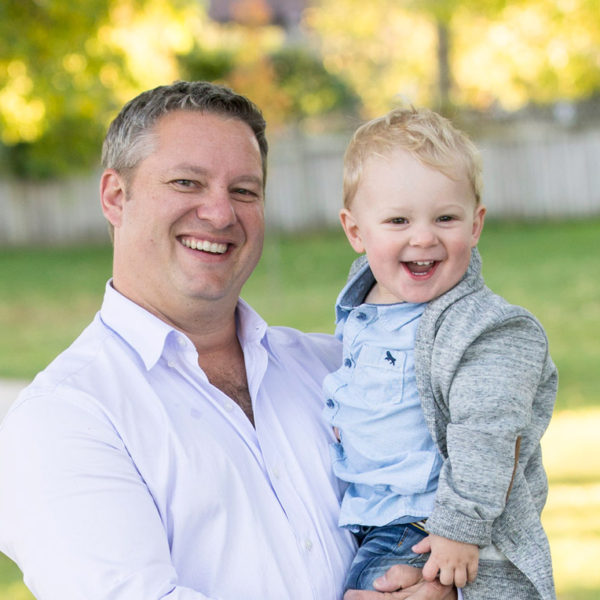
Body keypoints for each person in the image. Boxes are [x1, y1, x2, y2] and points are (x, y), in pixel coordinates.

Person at [0, 82, 456, 600]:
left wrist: (442, 587)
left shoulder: (339, 367)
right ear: (116, 197)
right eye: (187, 183)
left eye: (244, 191)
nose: (220, 214)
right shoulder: (64, 417)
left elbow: (468, 497)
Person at [323, 107, 557, 599]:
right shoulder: (363, 305)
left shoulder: (488, 329)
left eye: (446, 218)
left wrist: (457, 529)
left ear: (475, 225)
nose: (423, 236)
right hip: (367, 518)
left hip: (426, 524)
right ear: (356, 232)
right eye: (398, 220)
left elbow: (488, 436)